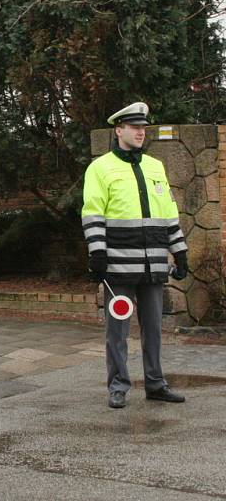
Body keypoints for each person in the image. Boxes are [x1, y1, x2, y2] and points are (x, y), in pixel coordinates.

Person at [82, 102, 188, 409]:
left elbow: (169, 214)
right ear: (119, 131)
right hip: (117, 265)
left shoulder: (156, 166)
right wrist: (97, 254)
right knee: (117, 331)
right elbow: (93, 215)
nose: (141, 132)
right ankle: (118, 386)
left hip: (154, 264)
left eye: (143, 127)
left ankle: (155, 383)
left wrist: (179, 252)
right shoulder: (100, 168)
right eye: (134, 127)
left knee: (154, 330)